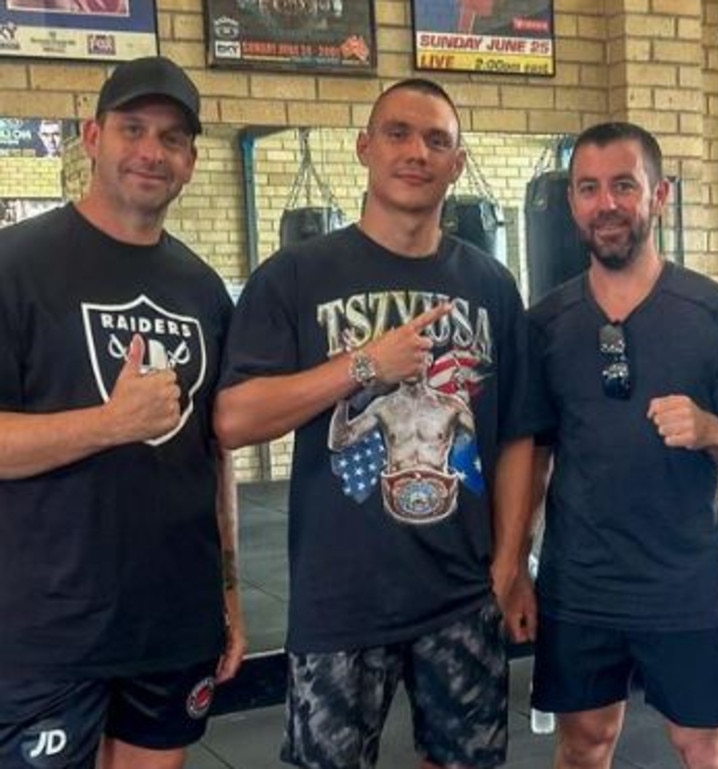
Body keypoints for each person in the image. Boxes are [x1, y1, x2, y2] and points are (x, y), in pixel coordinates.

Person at [214, 78, 536, 769]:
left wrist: (509, 561)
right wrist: (363, 365)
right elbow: (235, 419)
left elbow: (515, 434)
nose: (416, 152)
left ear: (457, 161)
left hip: (459, 594)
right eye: (397, 133)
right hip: (341, 599)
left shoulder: (490, 286)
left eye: (436, 140)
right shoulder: (295, 276)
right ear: (365, 147)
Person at [0, 56, 245, 769]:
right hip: (47, 627)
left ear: (191, 161)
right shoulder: (17, 266)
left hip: (169, 615)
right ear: (91, 137)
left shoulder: (201, 289)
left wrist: (228, 591)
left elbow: (215, 455)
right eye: (132, 128)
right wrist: (111, 421)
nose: (151, 151)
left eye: (172, 138)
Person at [527, 122, 718, 769]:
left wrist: (713, 428)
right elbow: (532, 456)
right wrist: (511, 568)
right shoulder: (546, 324)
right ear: (572, 202)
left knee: (705, 746)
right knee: (584, 742)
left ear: (659, 194)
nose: (606, 204)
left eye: (623, 186)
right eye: (588, 188)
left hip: (684, 583)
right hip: (579, 583)